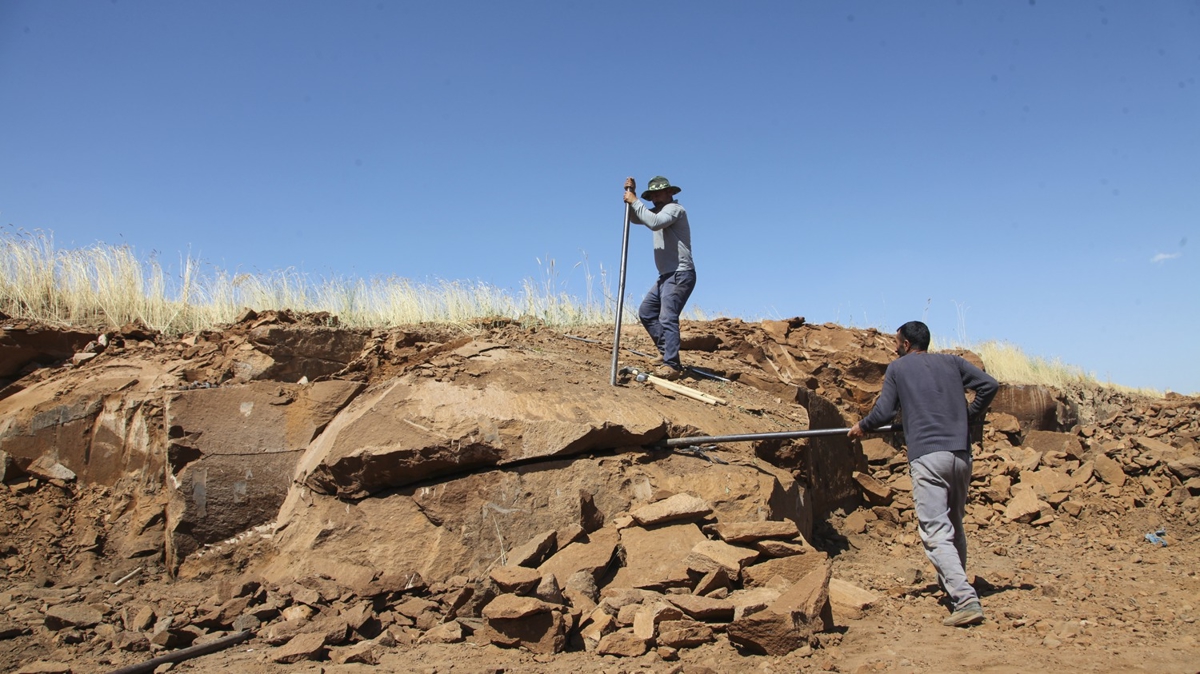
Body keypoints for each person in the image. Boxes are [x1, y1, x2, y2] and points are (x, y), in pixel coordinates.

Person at [848, 320, 999, 627]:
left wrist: (862, 426)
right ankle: (954, 585)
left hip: (929, 456)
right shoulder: (952, 362)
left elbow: (885, 412)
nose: (894, 347)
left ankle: (965, 599)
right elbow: (989, 385)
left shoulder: (898, 369)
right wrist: (968, 416)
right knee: (954, 524)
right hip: (961, 454)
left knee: (935, 531)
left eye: (896, 342)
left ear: (905, 345)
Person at [623, 175, 695, 381]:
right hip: (666, 276)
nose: (655, 199)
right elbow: (637, 218)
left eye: (659, 194)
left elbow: (654, 223)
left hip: (680, 273)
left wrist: (635, 201)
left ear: (670, 193)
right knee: (647, 312)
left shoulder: (674, 210)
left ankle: (671, 364)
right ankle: (666, 352)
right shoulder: (657, 210)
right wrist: (631, 199)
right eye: (652, 196)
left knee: (667, 317)